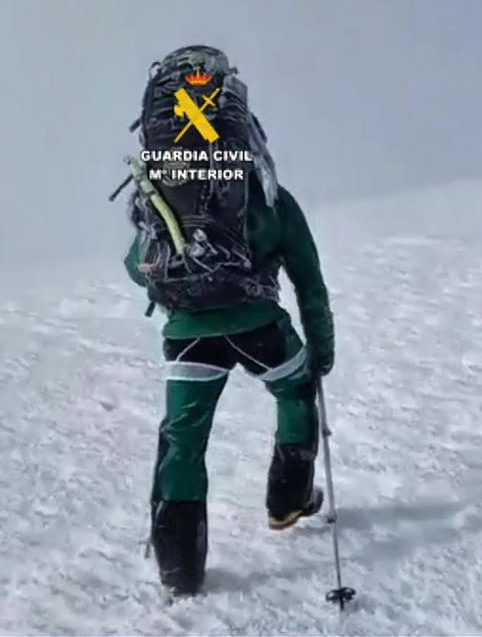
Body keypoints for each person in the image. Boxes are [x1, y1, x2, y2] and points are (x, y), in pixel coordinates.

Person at [120, 45, 335, 597]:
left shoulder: (163, 186)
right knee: (294, 391)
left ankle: (180, 570)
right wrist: (321, 350)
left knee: (184, 442)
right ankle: (287, 502)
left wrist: (184, 281)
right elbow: (308, 280)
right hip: (261, 328)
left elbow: (135, 265)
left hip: (189, 335)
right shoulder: (266, 195)